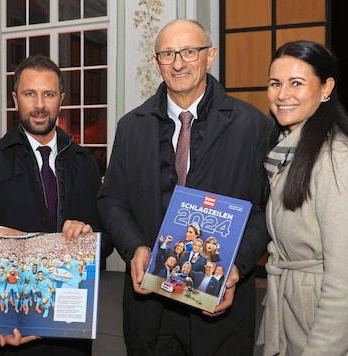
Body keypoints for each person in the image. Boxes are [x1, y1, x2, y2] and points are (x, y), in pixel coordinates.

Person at [97, 19, 271, 355]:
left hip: (220, 306)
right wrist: (135, 248)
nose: (178, 63)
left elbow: (266, 210)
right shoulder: (131, 127)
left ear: (210, 56)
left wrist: (234, 269)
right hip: (150, 308)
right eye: (168, 54)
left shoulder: (252, 126)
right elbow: (111, 200)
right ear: (156, 62)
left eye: (189, 52)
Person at [0, 54, 101, 355]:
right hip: (9, 331)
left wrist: (89, 234)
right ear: (15, 99)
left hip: (68, 328)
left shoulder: (85, 163)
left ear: (61, 99)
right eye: (29, 94)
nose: (39, 105)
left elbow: (103, 238)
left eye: (48, 94)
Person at [258, 40, 348, 355]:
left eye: (296, 83)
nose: (282, 94)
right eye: (276, 83)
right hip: (298, 319)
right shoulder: (293, 149)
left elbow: (347, 286)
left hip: (330, 336)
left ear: (326, 87)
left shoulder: (338, 159)